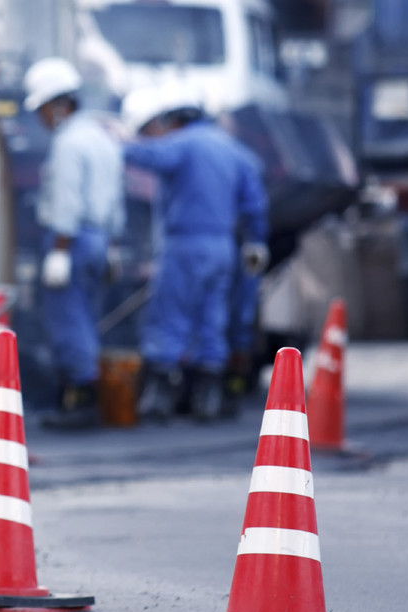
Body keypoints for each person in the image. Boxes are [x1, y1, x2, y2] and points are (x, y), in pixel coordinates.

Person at [123, 86, 268, 422]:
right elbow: (255, 202)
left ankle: (158, 398)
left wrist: (116, 144)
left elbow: (148, 157)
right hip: (223, 248)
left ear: (175, 119)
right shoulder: (234, 151)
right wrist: (256, 240)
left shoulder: (184, 143)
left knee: (169, 316)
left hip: (185, 244)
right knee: (212, 318)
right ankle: (209, 397)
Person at [22, 57, 126, 429]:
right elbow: (116, 199)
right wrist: (113, 246)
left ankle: (81, 399)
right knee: (86, 317)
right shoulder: (102, 139)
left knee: (68, 319)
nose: (41, 119)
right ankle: (80, 395)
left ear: (59, 105)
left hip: (73, 239)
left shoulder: (67, 143)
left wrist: (60, 251)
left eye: (42, 109)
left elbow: (66, 200)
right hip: (100, 239)